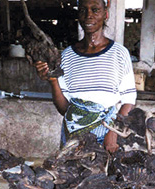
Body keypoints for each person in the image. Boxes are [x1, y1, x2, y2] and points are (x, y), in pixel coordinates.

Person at [35, 0, 137, 153]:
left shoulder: (119, 54)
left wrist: (113, 133)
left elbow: (129, 101)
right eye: (83, 10)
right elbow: (64, 109)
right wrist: (53, 80)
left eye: (95, 10)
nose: (89, 15)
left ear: (105, 14)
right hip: (73, 138)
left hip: (108, 135)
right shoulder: (67, 56)